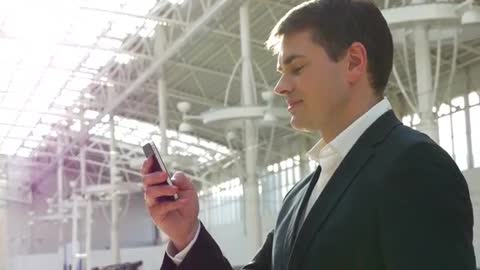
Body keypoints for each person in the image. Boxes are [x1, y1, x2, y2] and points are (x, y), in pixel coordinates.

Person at [141, 0, 477, 269]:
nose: (281, 87)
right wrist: (186, 235)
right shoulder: (301, 193)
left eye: (297, 68)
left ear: (354, 62)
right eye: (282, 72)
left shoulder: (414, 166)